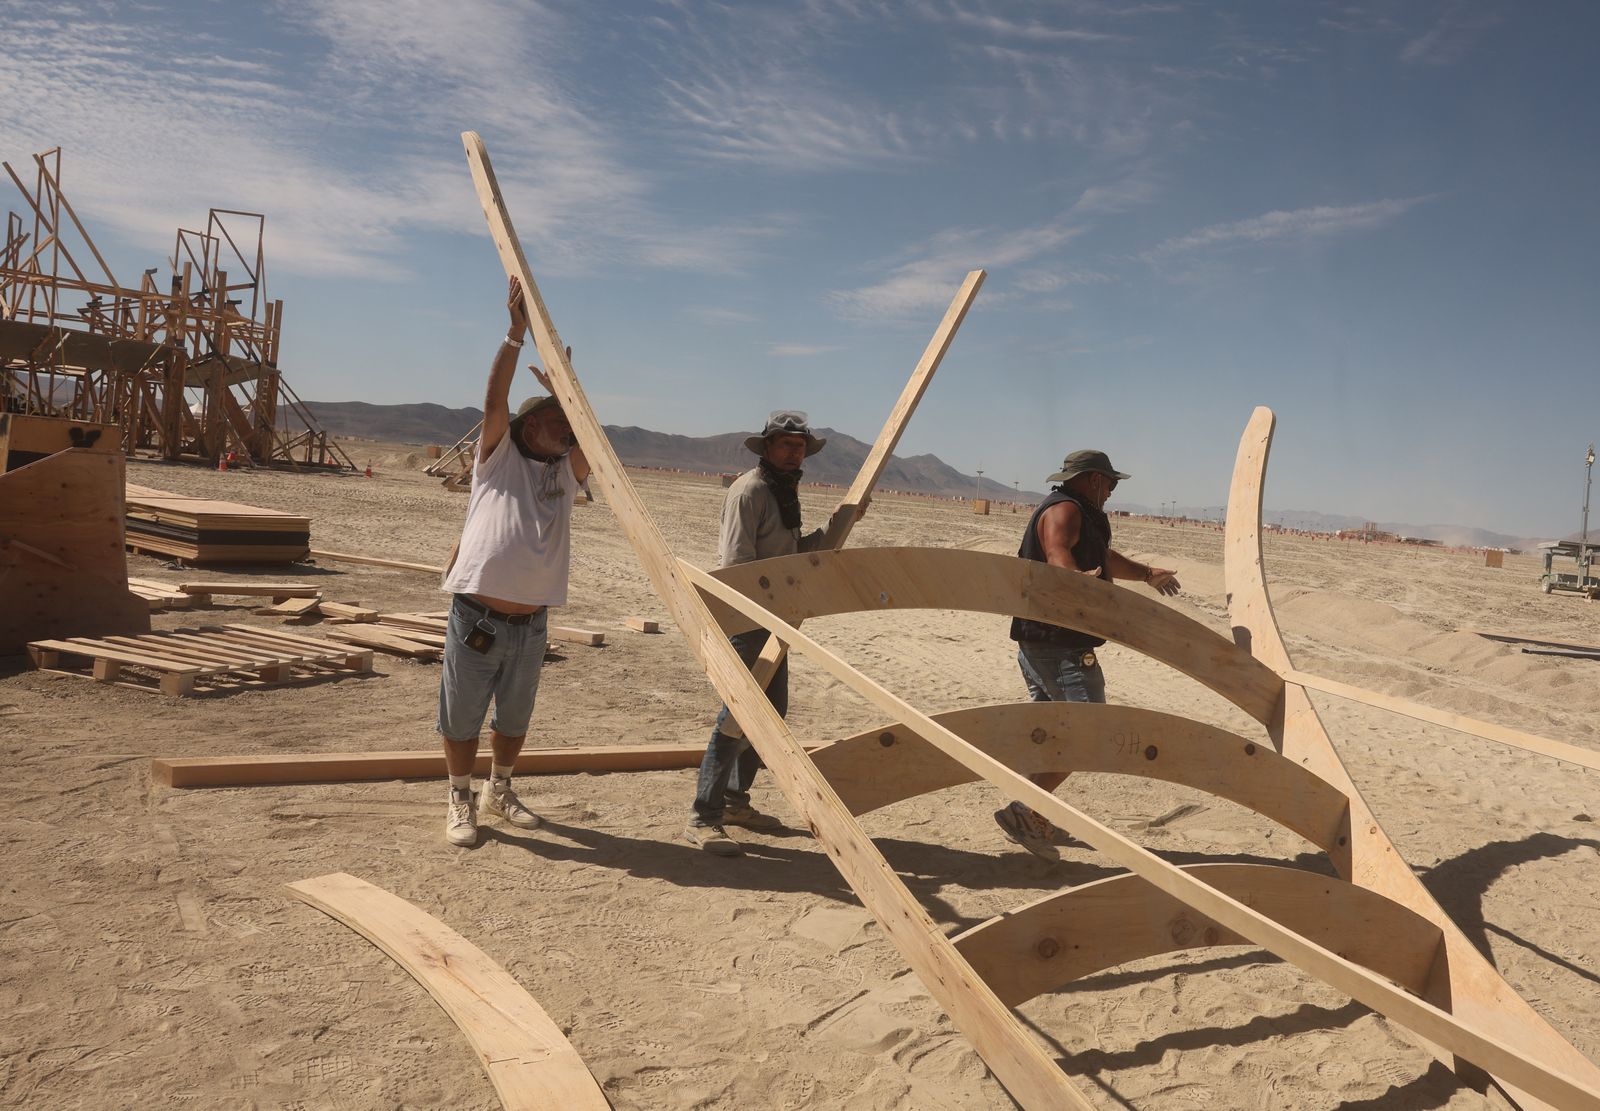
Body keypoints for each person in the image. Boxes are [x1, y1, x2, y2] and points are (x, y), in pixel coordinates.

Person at [436, 277, 590, 847]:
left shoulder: (566, 475)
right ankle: (459, 795)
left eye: (568, 421)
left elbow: (595, 443)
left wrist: (571, 391)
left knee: (515, 718)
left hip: (532, 624)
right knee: (462, 716)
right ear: (530, 426)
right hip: (478, 616)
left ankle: (499, 790)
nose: (567, 429)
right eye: (557, 419)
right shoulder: (498, 458)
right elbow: (494, 402)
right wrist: (514, 334)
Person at [685, 410, 861, 856]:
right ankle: (703, 816)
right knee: (738, 715)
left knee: (771, 712)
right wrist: (769, 605)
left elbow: (795, 555)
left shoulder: (784, 490)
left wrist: (840, 523)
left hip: (776, 619)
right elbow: (737, 566)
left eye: (799, 447)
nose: (794, 452)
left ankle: (733, 801)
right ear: (767, 447)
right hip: (748, 620)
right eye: (785, 444)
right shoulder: (750, 491)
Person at [996, 449, 1180, 861]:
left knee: (1054, 734)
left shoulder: (1080, 511)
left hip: (1043, 643)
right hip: (1060, 646)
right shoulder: (1063, 510)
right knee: (1088, 733)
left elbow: (1101, 557)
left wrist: (1146, 574)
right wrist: (1076, 579)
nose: (1113, 490)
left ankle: (1030, 810)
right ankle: (1024, 811)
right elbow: (1057, 553)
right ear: (1095, 479)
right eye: (1111, 482)